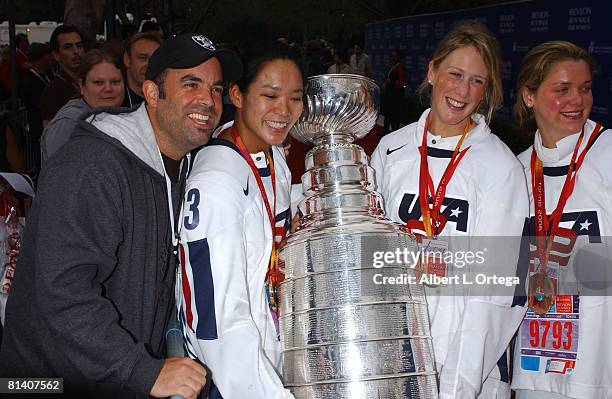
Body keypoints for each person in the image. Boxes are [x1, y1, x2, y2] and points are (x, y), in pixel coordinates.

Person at [0, 33, 242, 399]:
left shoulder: (181, 164)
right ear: (152, 92)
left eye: (215, 88)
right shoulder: (91, 165)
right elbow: (63, 293)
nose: (207, 100)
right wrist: (143, 371)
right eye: (190, 84)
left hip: (110, 377)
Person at [370, 22, 529, 398]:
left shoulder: (499, 167)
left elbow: (497, 292)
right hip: (388, 356)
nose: (462, 91)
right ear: (432, 71)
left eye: (477, 81)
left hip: (462, 371)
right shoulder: (391, 150)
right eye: (455, 74)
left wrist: (457, 385)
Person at [177, 40, 303, 398]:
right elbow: (216, 322)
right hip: (232, 378)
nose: (285, 110)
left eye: (295, 98)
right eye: (270, 95)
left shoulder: (272, 155)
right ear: (238, 95)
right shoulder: (217, 181)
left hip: (273, 351)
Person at [511, 41, 612, 399]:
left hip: (600, 369)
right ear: (529, 96)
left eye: (584, 89)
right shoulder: (515, 171)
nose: (577, 100)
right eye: (562, 89)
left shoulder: (607, 154)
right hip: (533, 371)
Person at [40, 49, 125, 163]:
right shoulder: (69, 123)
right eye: (98, 82)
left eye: (115, 82)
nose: (108, 89)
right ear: (82, 86)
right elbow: (59, 176)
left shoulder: (122, 118)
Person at [40, 25, 85, 126]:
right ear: (56, 55)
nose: (76, 51)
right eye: (68, 47)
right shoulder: (53, 90)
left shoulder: (91, 82)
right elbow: (50, 133)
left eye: (79, 45)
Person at [122, 32, 163, 107]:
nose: (150, 65)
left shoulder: (167, 98)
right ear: (127, 60)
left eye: (155, 59)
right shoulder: (114, 98)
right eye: (143, 58)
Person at [383, 49, 406, 134]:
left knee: (394, 113)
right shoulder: (391, 66)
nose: (393, 58)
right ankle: (385, 129)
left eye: (395, 56)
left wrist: (391, 82)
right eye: (392, 56)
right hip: (389, 93)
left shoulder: (399, 67)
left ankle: (394, 131)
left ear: (398, 57)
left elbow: (401, 82)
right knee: (388, 111)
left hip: (396, 94)